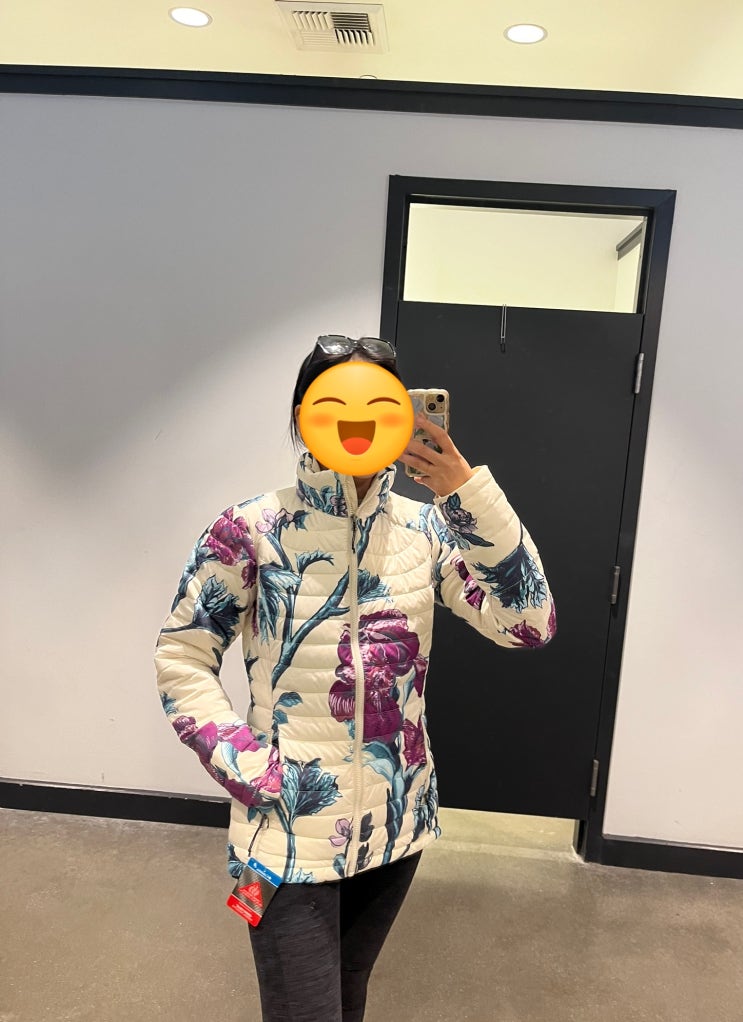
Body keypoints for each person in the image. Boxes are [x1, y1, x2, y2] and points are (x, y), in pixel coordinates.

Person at [154, 335, 556, 1022]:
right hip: (290, 826)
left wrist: (466, 494)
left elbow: (528, 623)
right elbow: (182, 656)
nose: (358, 423)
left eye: (378, 406)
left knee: (346, 994)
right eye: (338, 404)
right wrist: (251, 768)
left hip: (395, 823)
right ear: (304, 415)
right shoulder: (251, 530)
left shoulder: (428, 531)